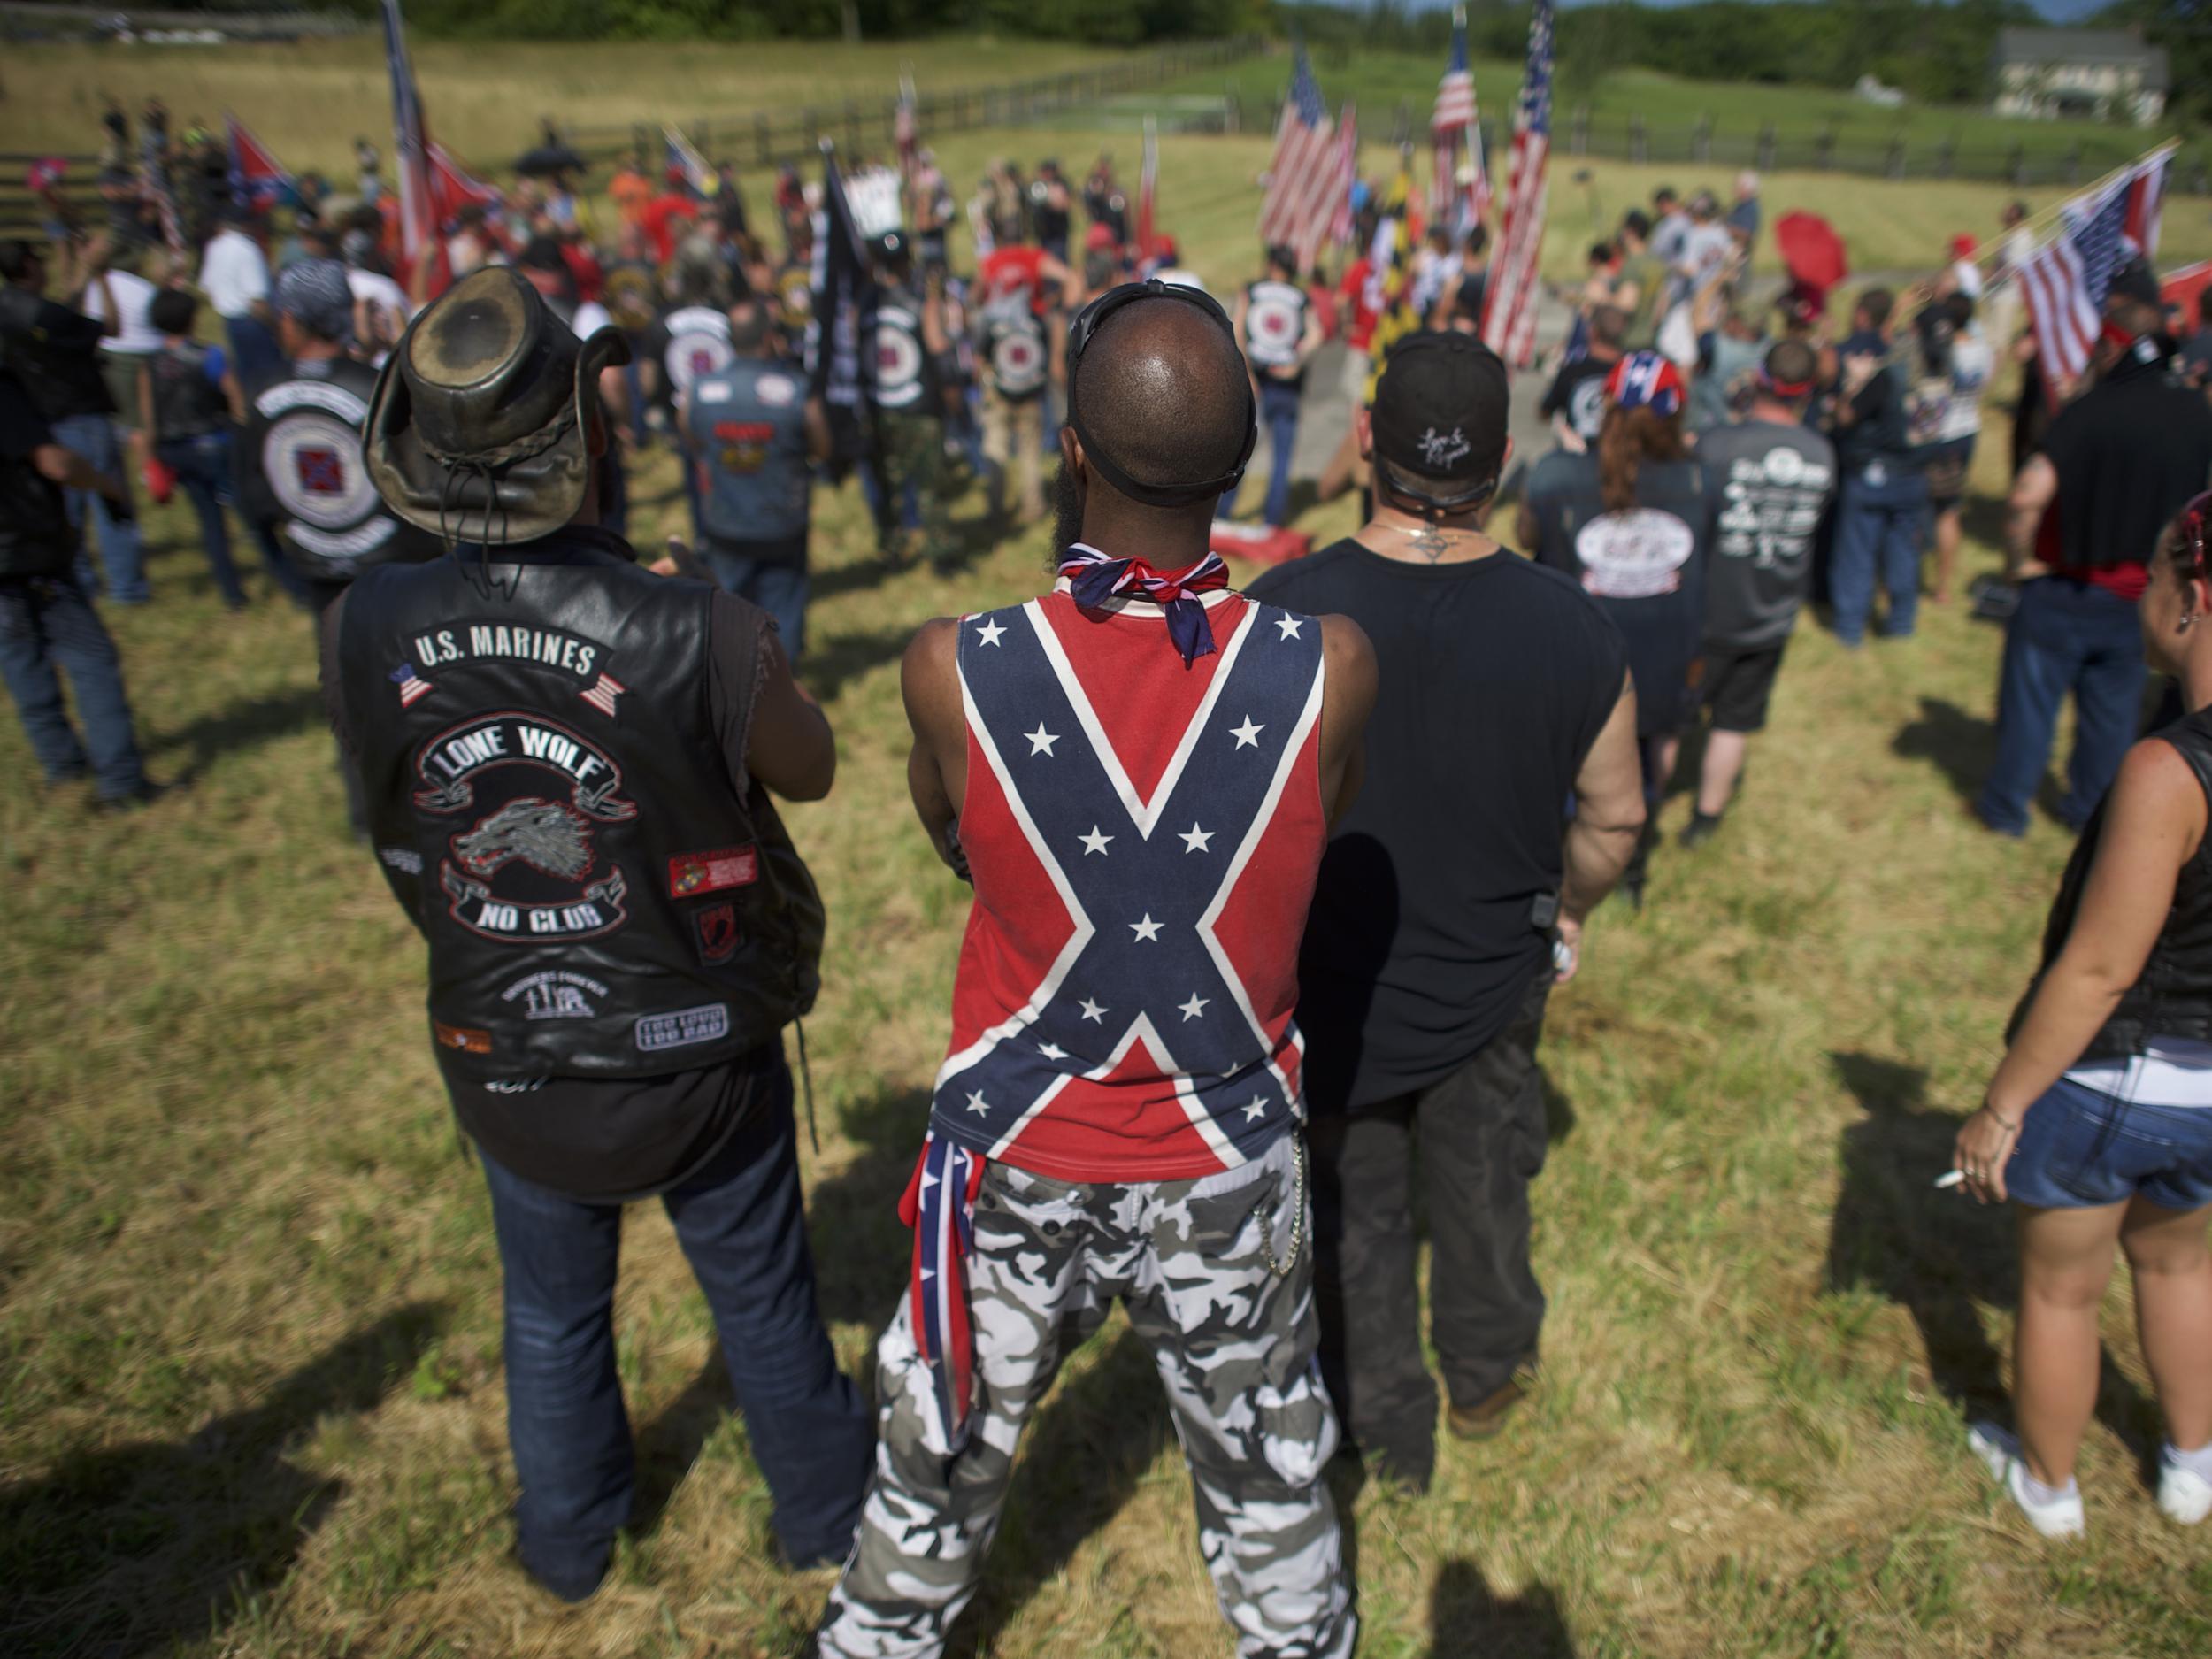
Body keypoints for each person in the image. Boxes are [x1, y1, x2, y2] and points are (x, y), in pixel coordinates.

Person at [816, 280, 1377, 1659]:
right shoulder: (1336, 667)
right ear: (1246, 465)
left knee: (938, 1451)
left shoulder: (952, 666)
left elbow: (956, 839)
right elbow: (1310, 843)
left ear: (1069, 445)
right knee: (1271, 1467)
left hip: (1019, 1145)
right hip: (1227, 1147)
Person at [331, 266, 870, 1601]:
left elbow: (395, 826)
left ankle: (568, 1542)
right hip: (692, 1047)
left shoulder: (359, 622)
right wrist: (725, 646)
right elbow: (814, 768)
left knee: (549, 1308)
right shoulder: (694, 621)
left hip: (502, 1041)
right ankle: (824, 1520)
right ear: (589, 439)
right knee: (757, 1290)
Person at [1246, 333, 1641, 1489]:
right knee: (1478, 1185)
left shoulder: (1282, 612)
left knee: (1357, 1209)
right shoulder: (1573, 625)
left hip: (1332, 985)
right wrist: (1567, 907)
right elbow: (1616, 819)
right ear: (1506, 462)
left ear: (1365, 442)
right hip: (1490, 971)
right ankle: (1484, 1372)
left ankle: (1382, 1422)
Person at [1953, 491, 2212, 1538]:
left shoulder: (2167, 770)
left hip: (2114, 1074)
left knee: (2062, 1289)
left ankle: (2047, 1487)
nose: (2142, 598)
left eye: (2152, 578)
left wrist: (2002, 1105)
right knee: (2180, 1261)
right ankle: (2191, 1462)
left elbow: (2099, 967)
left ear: (2192, 598)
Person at [1978, 262, 2212, 838]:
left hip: (2065, 586)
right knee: (2111, 716)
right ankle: (2088, 811)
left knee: (2030, 708)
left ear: (2111, 350)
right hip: (2148, 595)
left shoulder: (2089, 411)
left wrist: (2018, 563)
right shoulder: (2196, 414)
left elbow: (2028, 494)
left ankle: (2007, 810)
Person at [238, 259, 439, 827]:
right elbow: (425, 485)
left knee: (349, 691)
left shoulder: (264, 396)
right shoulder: (379, 389)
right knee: (416, 684)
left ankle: (367, 809)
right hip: (399, 568)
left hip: (322, 571)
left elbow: (255, 497)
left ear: (293, 321)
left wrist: (288, 564)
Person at [1521, 351, 1709, 908]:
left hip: (1578, 658)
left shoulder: (1557, 477)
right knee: (1644, 769)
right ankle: (1631, 873)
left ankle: (1556, 879)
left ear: (1604, 406)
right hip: (1663, 655)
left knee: (1564, 772)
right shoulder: (1701, 480)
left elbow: (1529, 533)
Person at [1681, 340, 1838, 847]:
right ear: (1808, 392)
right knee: (1734, 721)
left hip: (1707, 612)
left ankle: (1645, 804)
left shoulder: (1717, 443)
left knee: (1666, 719)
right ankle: (1706, 818)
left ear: (1759, 380)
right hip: (1772, 611)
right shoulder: (1822, 454)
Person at [0, 361, 157, 809]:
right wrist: (107, 485)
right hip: (28, 552)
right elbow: (54, 461)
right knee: (91, 659)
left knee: (20, 658)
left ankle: (61, 765)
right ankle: (122, 782)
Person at [0, 237, 146, 605]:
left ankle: (80, 582)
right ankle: (127, 588)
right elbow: (108, 326)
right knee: (110, 502)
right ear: (31, 266)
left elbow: (62, 316)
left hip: (41, 420)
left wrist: (82, 272)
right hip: (82, 414)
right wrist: (101, 277)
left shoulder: (10, 309)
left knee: (68, 513)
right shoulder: (50, 317)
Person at [687, 296, 829, 653]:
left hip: (726, 522)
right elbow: (822, 445)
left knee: (730, 615)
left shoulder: (701, 391)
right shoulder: (796, 391)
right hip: (781, 521)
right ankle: (785, 685)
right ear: (769, 337)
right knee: (783, 612)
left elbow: (692, 437)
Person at [1826, 286, 1926, 647]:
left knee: (1857, 551)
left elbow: (1846, 415)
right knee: (1903, 550)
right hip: (1913, 472)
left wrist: (1853, 384)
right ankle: (1902, 622)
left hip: (1874, 474)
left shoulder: (1888, 376)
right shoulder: (1936, 372)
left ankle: (1849, 628)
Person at [138, 288, 248, 611]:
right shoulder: (210, 355)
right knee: (247, 513)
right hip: (214, 442)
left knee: (210, 523)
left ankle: (232, 593)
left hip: (176, 449)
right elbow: (235, 398)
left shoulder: (150, 364)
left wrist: (151, 459)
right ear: (191, 319)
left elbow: (148, 417)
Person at [864, 234, 955, 567]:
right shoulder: (922, 302)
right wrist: (953, 389)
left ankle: (892, 547)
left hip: (880, 406)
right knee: (931, 485)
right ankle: (939, 549)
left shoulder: (864, 303)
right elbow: (939, 348)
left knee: (890, 484)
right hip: (920, 407)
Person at [1233, 242, 1324, 527]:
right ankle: (1272, 519)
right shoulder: (1300, 297)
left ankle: (1222, 513)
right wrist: (1296, 361)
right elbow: (1316, 333)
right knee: (1282, 455)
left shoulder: (1253, 290)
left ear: (1272, 265)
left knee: (1238, 449)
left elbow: (1238, 329)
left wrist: (1245, 371)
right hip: (1286, 383)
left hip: (1256, 379)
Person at [1917, 292, 1994, 606]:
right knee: (1950, 510)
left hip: (1940, 433)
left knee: (1925, 507)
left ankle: (1914, 575)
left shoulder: (1942, 352)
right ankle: (1943, 586)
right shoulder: (1982, 349)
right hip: (1968, 430)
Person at [197, 206, 280, 391]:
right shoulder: (248, 248)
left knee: (242, 379)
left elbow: (207, 287)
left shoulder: (214, 246)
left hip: (225, 321)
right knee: (267, 380)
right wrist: (276, 327)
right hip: (250, 323)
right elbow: (257, 300)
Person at [1540, 304, 1625, 453]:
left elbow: (1544, 412)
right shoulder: (1632, 371)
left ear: (1592, 332)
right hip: (1622, 457)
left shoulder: (1572, 370)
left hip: (1578, 456)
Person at [1609, 211, 1664, 353]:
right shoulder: (1657, 263)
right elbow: (1662, 306)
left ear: (1631, 231)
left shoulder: (1632, 265)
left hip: (1629, 341)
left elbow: (1626, 305)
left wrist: (1600, 298)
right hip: (1651, 340)